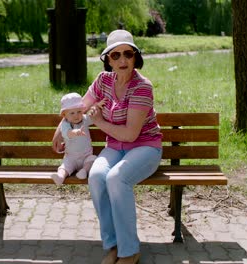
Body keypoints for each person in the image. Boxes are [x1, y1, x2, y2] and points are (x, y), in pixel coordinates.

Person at [52, 30, 163, 264]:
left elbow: (132, 135)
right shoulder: (103, 81)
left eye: (128, 54)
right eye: (115, 55)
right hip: (115, 146)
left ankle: (130, 251)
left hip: (145, 148)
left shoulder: (142, 87)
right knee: (97, 176)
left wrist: (100, 122)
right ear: (108, 59)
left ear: (135, 57)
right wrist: (59, 129)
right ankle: (113, 246)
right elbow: (79, 108)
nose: (122, 60)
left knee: (116, 178)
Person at [51, 92, 99, 185]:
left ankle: (84, 171)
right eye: (72, 113)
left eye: (79, 112)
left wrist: (97, 106)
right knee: (65, 166)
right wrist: (75, 132)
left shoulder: (84, 119)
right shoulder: (65, 124)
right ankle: (60, 177)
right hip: (71, 157)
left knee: (92, 159)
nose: (76, 115)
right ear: (64, 115)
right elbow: (67, 134)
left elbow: (94, 118)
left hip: (86, 156)